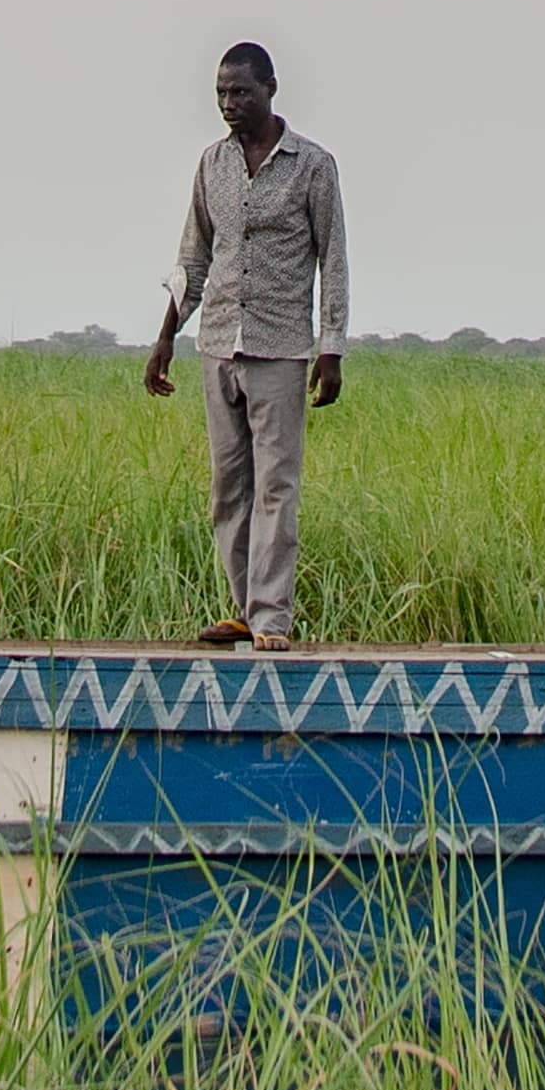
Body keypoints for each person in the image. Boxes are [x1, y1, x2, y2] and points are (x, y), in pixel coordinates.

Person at [143, 40, 347, 648]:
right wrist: (164, 337)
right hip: (218, 343)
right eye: (221, 94)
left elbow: (332, 259)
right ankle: (244, 608)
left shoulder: (312, 165)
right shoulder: (212, 165)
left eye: (241, 93)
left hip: (281, 345)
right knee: (228, 488)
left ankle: (270, 619)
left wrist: (331, 347)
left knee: (276, 485)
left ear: (270, 90)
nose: (230, 104)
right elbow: (194, 257)